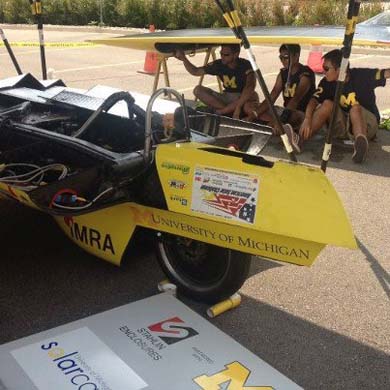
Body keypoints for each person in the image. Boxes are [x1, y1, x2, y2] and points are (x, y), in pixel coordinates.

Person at [299, 49, 390, 163]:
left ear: (340, 70)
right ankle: (300, 140)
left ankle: (360, 146)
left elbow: (386, 73)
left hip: (367, 124)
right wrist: (307, 119)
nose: (323, 72)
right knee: (327, 104)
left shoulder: (362, 76)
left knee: (355, 108)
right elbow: (313, 101)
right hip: (343, 125)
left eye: (326, 68)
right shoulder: (327, 82)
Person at [251, 44, 316, 152]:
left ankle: (281, 128)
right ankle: (278, 127)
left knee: (294, 116)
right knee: (253, 108)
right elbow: (272, 96)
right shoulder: (283, 74)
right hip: (285, 111)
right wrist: (254, 114)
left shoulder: (305, 74)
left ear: (296, 56)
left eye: (286, 57)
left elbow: (295, 100)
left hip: (300, 113)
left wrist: (281, 120)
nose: (282, 60)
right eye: (280, 57)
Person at [175, 44, 259, 120]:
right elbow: (196, 71)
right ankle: (228, 111)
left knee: (251, 95)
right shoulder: (218, 64)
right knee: (198, 90)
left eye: (226, 55)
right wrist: (184, 59)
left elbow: (250, 86)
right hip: (226, 97)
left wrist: (238, 107)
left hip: (242, 97)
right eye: (221, 54)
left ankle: (222, 112)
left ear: (236, 55)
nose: (222, 57)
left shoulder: (245, 64)